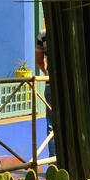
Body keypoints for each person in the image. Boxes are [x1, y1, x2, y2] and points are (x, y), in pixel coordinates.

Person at [35, 23, 55, 159]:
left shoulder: (43, 34)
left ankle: (54, 163)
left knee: (51, 125)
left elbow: (39, 61)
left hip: (50, 84)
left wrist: (48, 73)